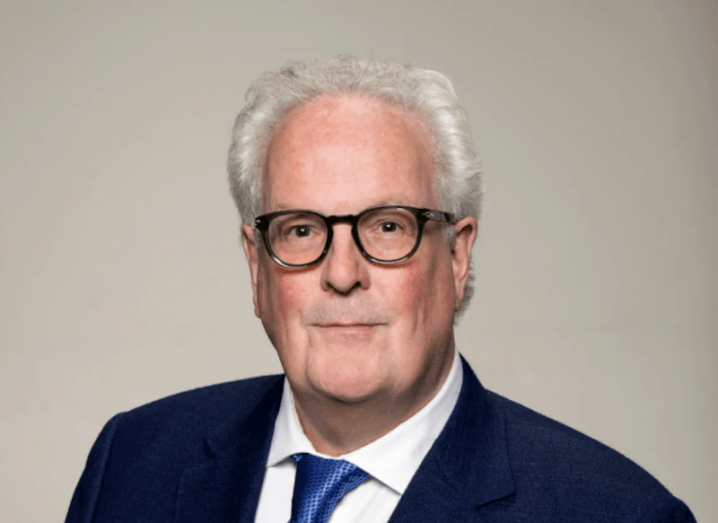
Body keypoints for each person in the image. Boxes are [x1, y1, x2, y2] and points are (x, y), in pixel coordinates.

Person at [65, 56, 695, 523]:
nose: (341, 274)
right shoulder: (133, 463)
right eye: (302, 229)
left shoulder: (613, 511)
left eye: (387, 226)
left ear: (456, 254)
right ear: (256, 266)